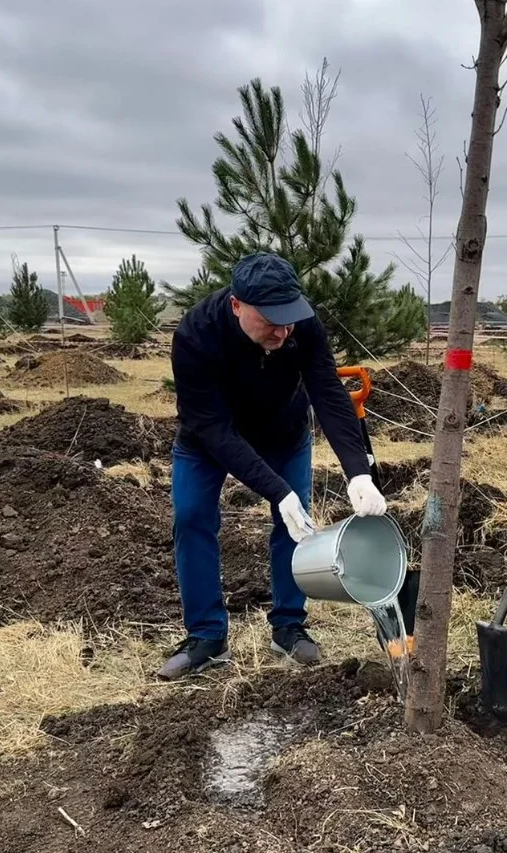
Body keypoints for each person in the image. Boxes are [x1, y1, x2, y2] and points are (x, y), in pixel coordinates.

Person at [157, 252, 388, 680]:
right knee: (192, 519)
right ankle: (206, 636)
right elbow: (212, 427)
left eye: (290, 318)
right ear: (237, 305)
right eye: (271, 320)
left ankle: (289, 626)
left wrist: (358, 471)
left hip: (284, 433)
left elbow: (327, 392)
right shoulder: (196, 334)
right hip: (208, 440)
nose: (283, 330)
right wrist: (275, 490)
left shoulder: (303, 326)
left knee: (293, 525)